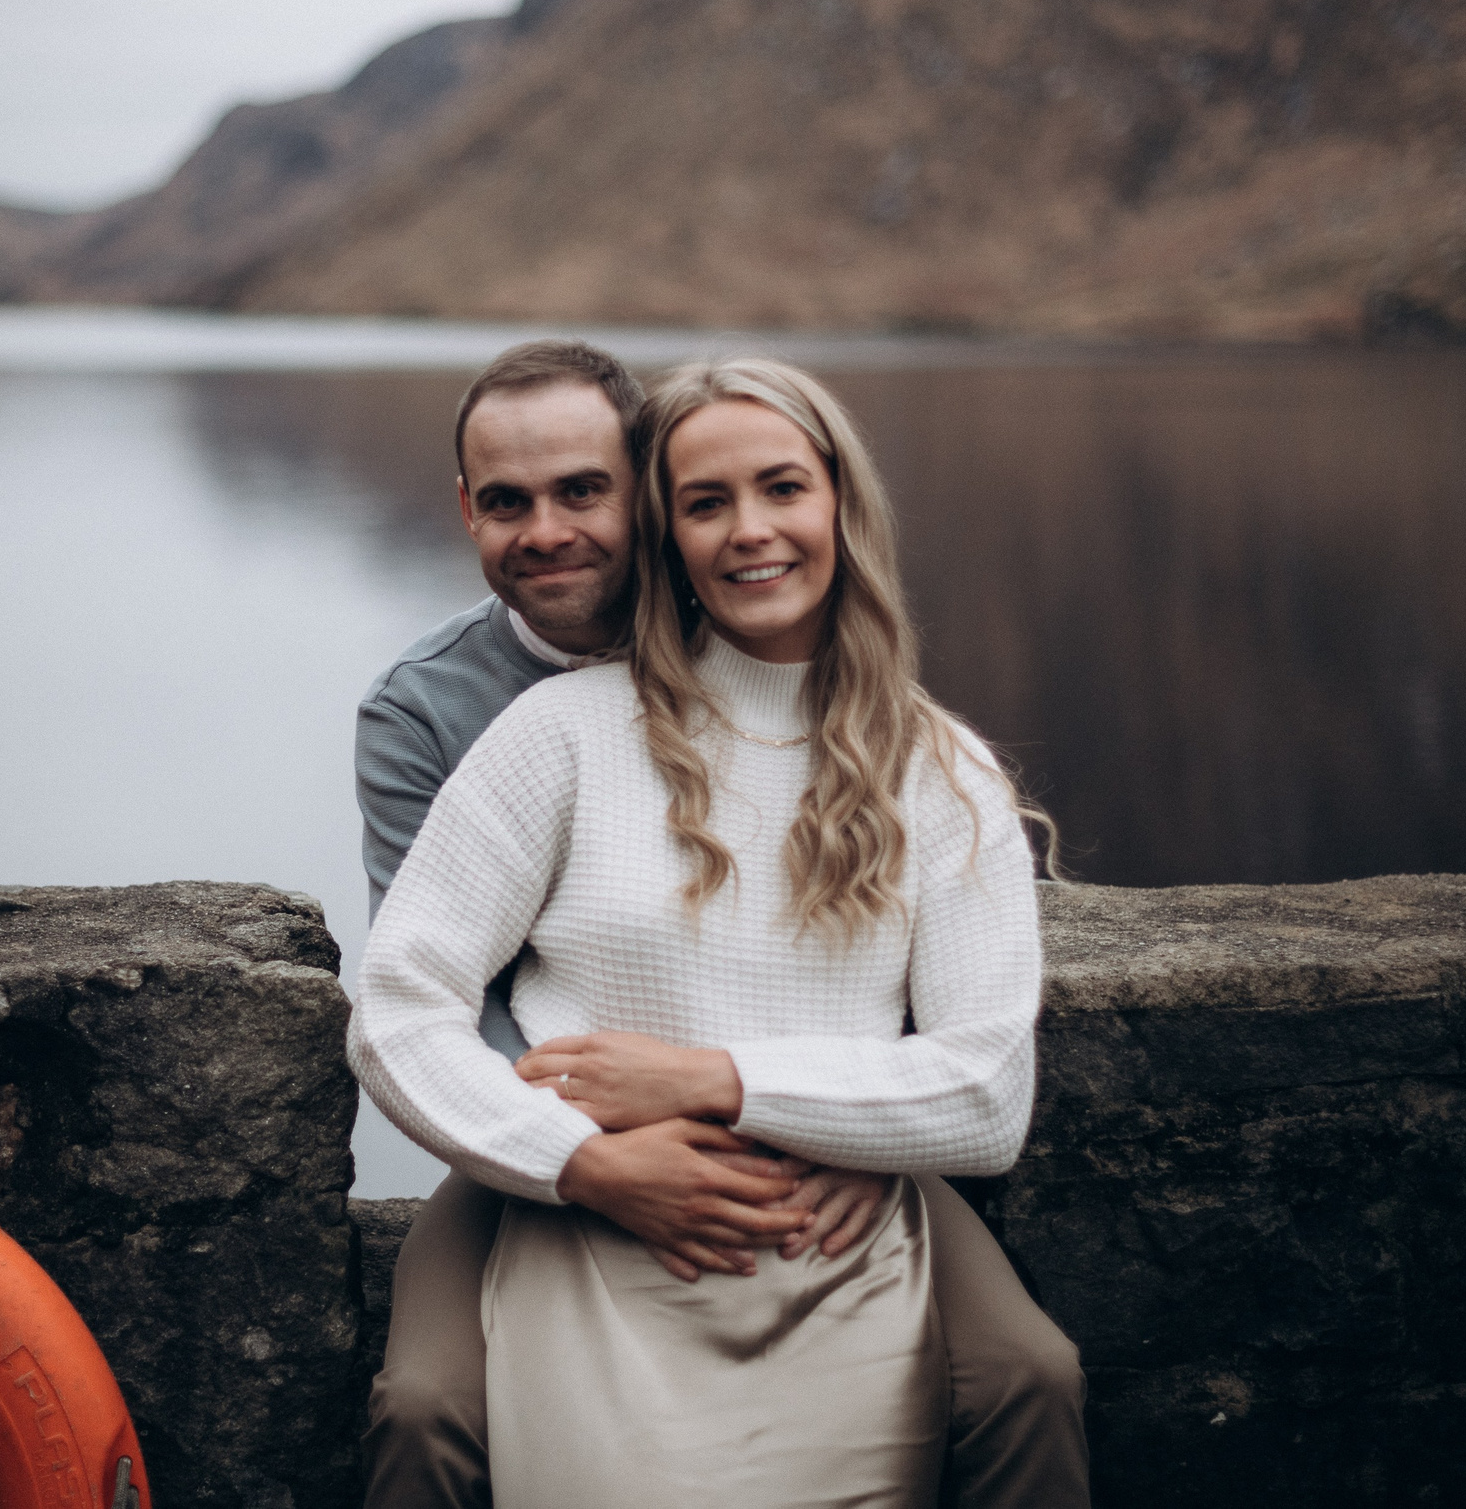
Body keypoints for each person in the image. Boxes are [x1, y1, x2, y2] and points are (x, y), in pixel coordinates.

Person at [354, 350, 1090, 1508]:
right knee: (430, 1407)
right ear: (674, 535)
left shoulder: (942, 771)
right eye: (706, 503)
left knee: (1030, 1377)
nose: (750, 530)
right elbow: (407, 1002)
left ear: (842, 501)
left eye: (783, 488)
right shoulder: (548, 732)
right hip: (576, 1188)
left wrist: (734, 1091)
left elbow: (988, 1091)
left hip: (838, 1206)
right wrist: (585, 1157)